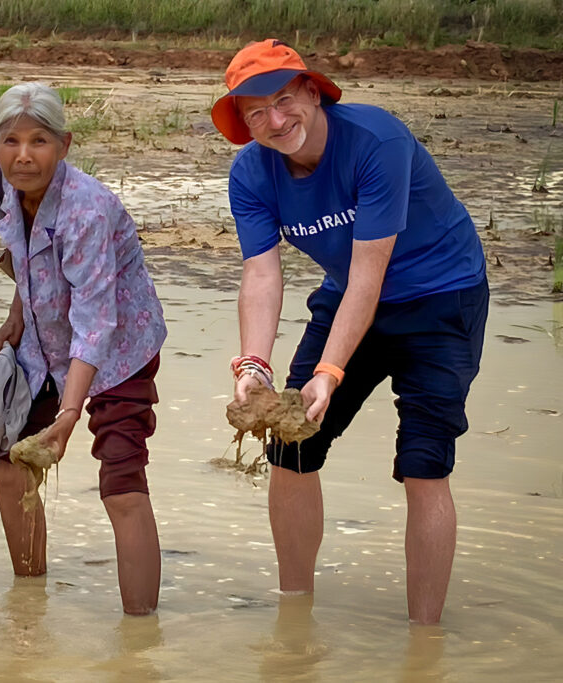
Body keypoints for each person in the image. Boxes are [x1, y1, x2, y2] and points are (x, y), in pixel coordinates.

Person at [213, 40, 488, 624]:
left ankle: (424, 638)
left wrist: (330, 373)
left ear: (313, 92)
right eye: (256, 112)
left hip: (441, 297)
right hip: (348, 295)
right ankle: (293, 619)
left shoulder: (375, 140)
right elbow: (261, 274)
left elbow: (370, 274)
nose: (274, 121)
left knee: (424, 463)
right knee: (291, 446)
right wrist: (253, 364)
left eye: (283, 101)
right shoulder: (251, 173)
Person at [0, 83, 168, 615]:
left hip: (118, 351)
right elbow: (21, 252)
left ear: (64, 146)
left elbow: (96, 321)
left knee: (122, 485)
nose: (23, 156)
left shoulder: (86, 211)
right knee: (7, 462)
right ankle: (28, 610)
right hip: (44, 342)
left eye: (39, 141)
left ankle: (139, 637)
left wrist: (68, 414)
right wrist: (17, 314)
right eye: (11, 141)